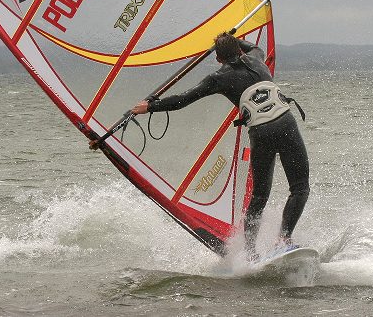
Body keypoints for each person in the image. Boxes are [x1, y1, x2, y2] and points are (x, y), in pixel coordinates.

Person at [131, 33, 310, 260]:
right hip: (286, 126)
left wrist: (151, 106)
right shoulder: (257, 57)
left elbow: (183, 99)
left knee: (259, 197)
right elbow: (253, 46)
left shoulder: (218, 77)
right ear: (240, 50)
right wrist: (232, 37)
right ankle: (284, 239)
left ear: (218, 59)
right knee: (300, 187)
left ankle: (250, 253)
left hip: (261, 133)